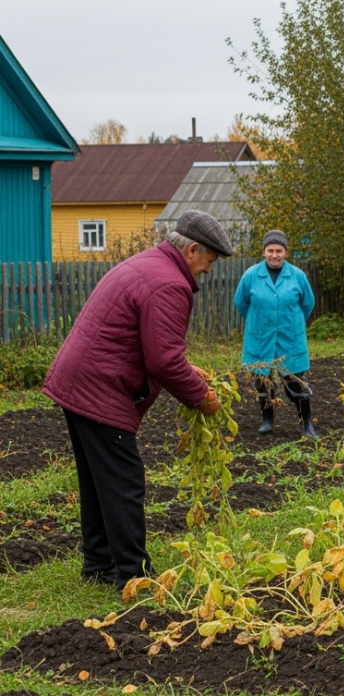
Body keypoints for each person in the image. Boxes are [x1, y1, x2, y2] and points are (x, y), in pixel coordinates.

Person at [41, 210, 233, 591]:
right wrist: (202, 398)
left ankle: (99, 564)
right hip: (101, 386)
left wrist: (189, 369)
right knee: (123, 482)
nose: (209, 271)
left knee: (99, 481)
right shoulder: (169, 284)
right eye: (209, 262)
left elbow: (147, 343)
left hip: (80, 379)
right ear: (192, 249)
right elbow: (162, 360)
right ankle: (134, 575)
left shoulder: (150, 264)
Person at [234, 230, 318, 438]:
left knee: (295, 386)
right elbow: (241, 303)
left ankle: (306, 423)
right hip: (259, 338)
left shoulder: (297, 276)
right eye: (270, 250)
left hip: (290, 339)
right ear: (263, 252)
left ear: (286, 252)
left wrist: (288, 322)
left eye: (278, 250)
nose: (274, 255)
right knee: (262, 383)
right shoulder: (251, 276)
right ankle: (267, 420)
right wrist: (261, 321)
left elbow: (307, 304)